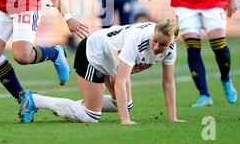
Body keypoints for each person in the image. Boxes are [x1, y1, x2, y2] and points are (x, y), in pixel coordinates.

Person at [18, 19, 186, 124]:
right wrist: (125, 120)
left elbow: (168, 83)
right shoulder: (137, 40)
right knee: (90, 117)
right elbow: (120, 81)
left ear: (172, 42)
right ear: (153, 32)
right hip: (93, 53)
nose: (156, 47)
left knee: (126, 104)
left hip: (109, 59)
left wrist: (173, 118)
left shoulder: (170, 49)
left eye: (162, 45)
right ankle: (34, 100)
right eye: (154, 41)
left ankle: (83, 104)